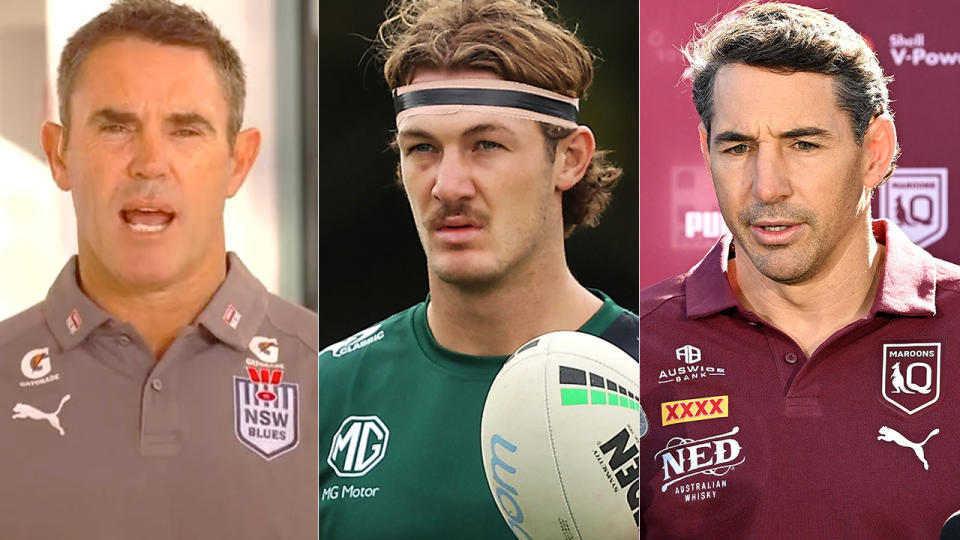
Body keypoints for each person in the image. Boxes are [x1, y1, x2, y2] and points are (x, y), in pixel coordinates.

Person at [638, 2, 960, 537]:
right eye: (738, 147)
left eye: (804, 144)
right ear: (706, 150)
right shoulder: (636, 347)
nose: (767, 186)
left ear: (875, 153)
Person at [318, 0, 637, 536]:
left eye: (485, 144)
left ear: (569, 158)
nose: (447, 184)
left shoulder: (665, 383)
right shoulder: (325, 395)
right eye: (422, 148)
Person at [0, 1, 318, 538]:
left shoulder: (330, 377)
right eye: (116, 126)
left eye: (185, 130)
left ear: (238, 162)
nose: (150, 162)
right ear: (59, 155)